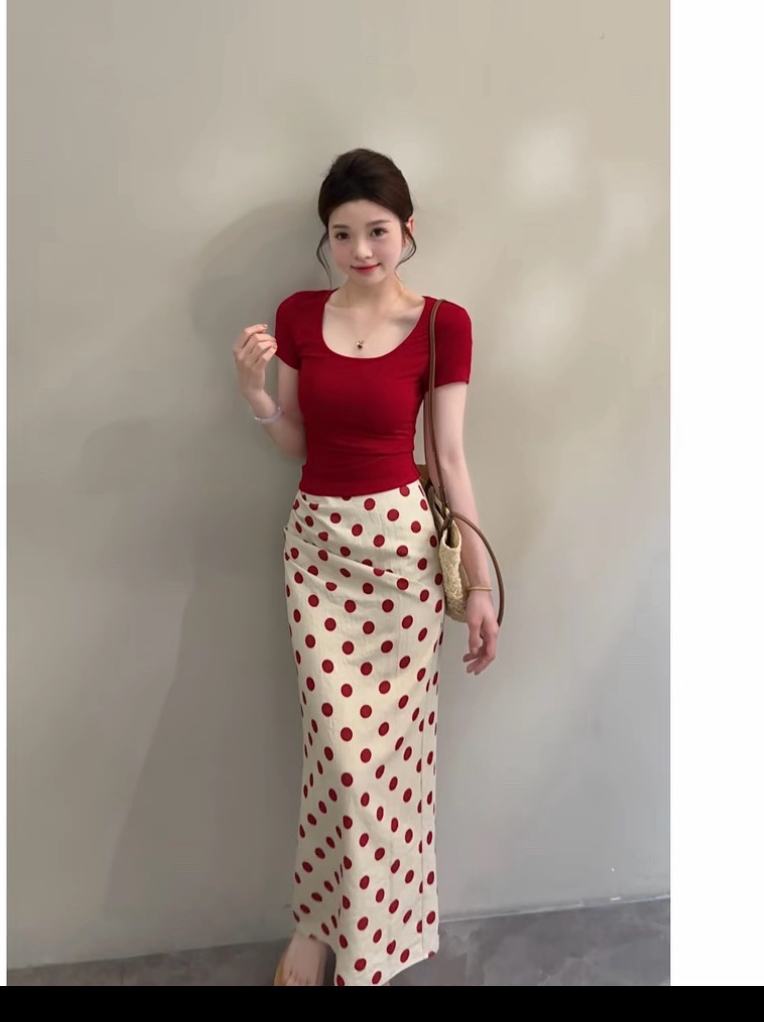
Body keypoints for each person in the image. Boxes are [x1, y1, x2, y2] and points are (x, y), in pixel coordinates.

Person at [231, 148, 500, 987]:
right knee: (337, 754)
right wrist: (256, 396)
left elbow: (449, 459)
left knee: (387, 763)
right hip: (317, 552)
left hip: (400, 561)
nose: (360, 249)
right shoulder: (298, 315)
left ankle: (363, 946)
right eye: (342, 233)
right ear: (326, 238)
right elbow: (297, 442)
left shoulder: (442, 324)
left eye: (376, 231)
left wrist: (480, 585)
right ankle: (319, 928)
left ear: (406, 229)